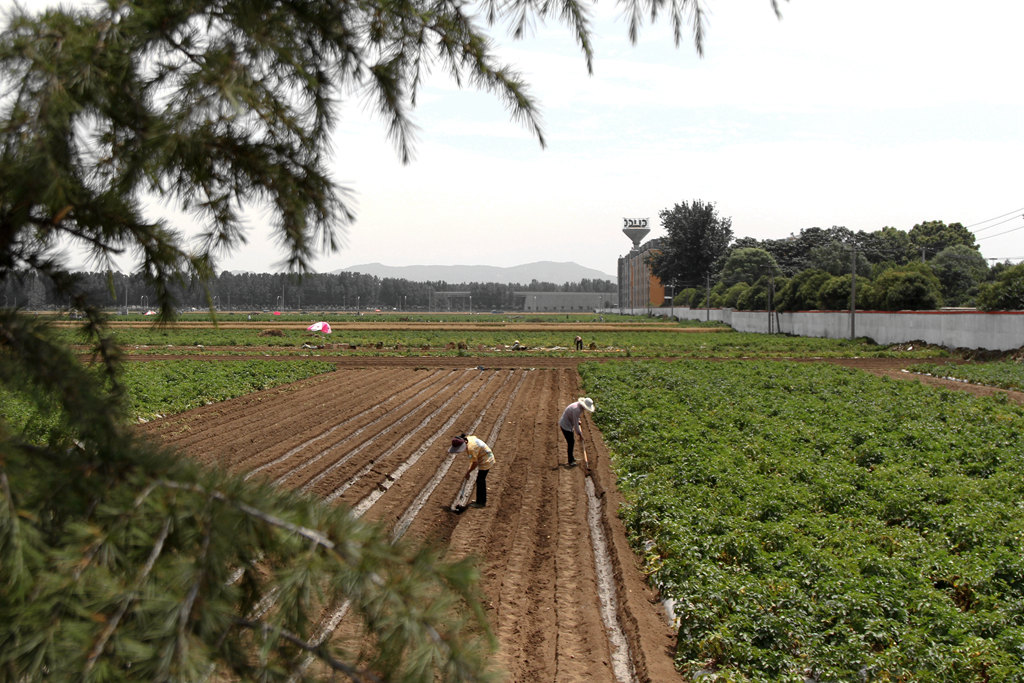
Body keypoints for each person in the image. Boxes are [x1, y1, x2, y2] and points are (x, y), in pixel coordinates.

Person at [449, 434, 495, 509]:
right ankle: (480, 500)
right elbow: (473, 460)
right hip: (485, 456)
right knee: (480, 480)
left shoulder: (471, 448)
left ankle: (481, 502)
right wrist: (468, 470)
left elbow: (475, 463)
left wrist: (468, 472)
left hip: (486, 461)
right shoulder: (469, 439)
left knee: (480, 481)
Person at [558, 397, 594, 468]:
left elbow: (576, 418)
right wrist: (580, 434)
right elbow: (575, 424)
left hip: (568, 424)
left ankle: (572, 457)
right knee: (571, 442)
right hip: (565, 426)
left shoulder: (578, 406)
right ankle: (570, 461)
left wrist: (578, 421)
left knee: (572, 441)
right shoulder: (576, 409)